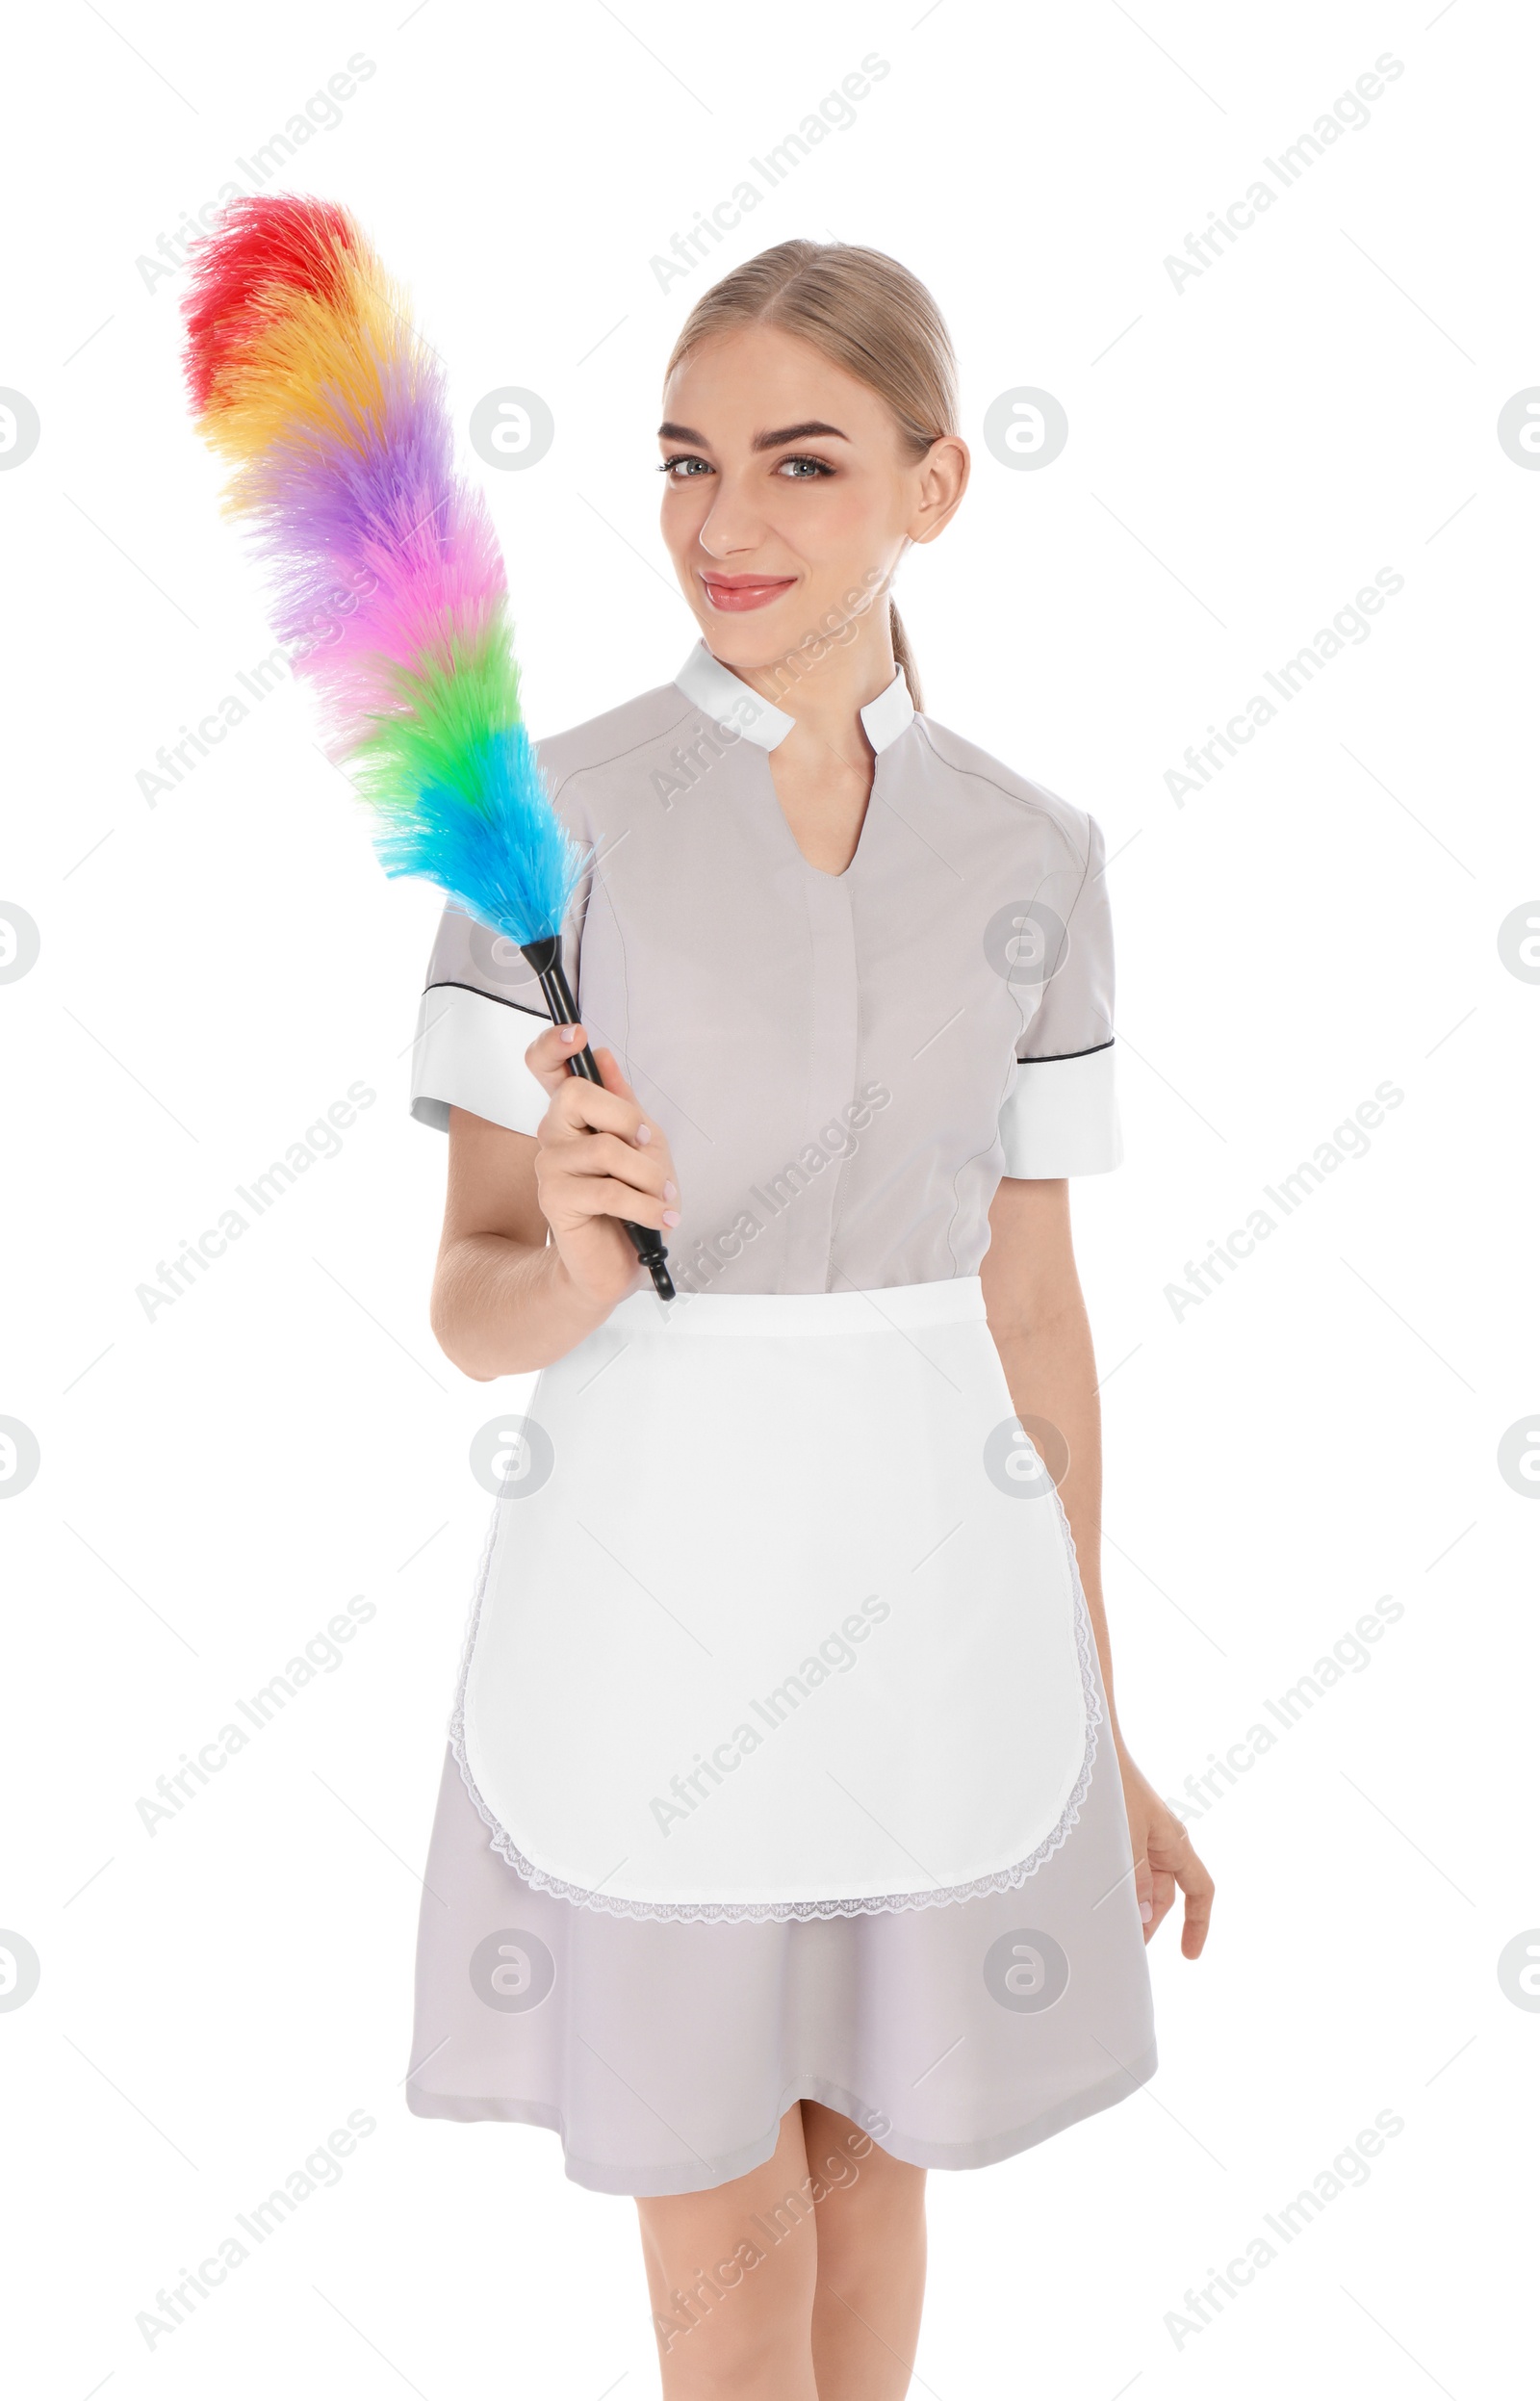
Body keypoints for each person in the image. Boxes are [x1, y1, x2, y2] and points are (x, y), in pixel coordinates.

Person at [403, 238, 1214, 2401]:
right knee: (726, 2248)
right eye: (682, 464)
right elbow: (468, 1308)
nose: (721, 526)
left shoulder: (1031, 851)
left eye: (798, 463)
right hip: (658, 1599)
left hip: (932, 1601)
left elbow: (1033, 1321)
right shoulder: (546, 827)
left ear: (933, 487)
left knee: (871, 2184)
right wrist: (568, 1260)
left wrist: (1095, 1723)